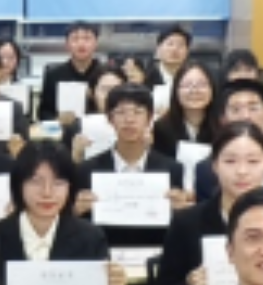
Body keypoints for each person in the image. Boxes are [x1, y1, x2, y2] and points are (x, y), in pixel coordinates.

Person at [141, 124, 263, 285]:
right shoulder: (188, 223)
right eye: (230, 161)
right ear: (214, 165)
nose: (242, 171)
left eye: (253, 161)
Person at [0, 142, 124, 285]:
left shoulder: (90, 237)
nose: (47, 193)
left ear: (70, 187)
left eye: (58, 183)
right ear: (18, 185)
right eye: (36, 181)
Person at [77, 84, 189, 230]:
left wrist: (182, 211)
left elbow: (176, 226)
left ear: (150, 118)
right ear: (109, 119)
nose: (129, 119)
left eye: (138, 112)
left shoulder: (173, 169)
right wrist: (76, 211)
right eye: (121, 112)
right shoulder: (87, 170)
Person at [197, 78, 263, 203]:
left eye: (253, 108)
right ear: (223, 119)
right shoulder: (205, 169)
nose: (245, 116)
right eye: (236, 109)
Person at [40, 22, 105, 123]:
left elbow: (116, 109)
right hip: (64, 128)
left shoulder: (107, 74)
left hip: (99, 128)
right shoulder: (54, 74)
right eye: (75, 39)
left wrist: (95, 97)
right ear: (67, 45)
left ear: (96, 43)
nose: (81, 44)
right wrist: (56, 120)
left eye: (87, 38)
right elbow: (44, 112)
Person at [153, 63, 220, 158]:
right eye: (187, 85)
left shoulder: (223, 128)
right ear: (176, 91)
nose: (194, 91)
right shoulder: (160, 129)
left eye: (201, 85)